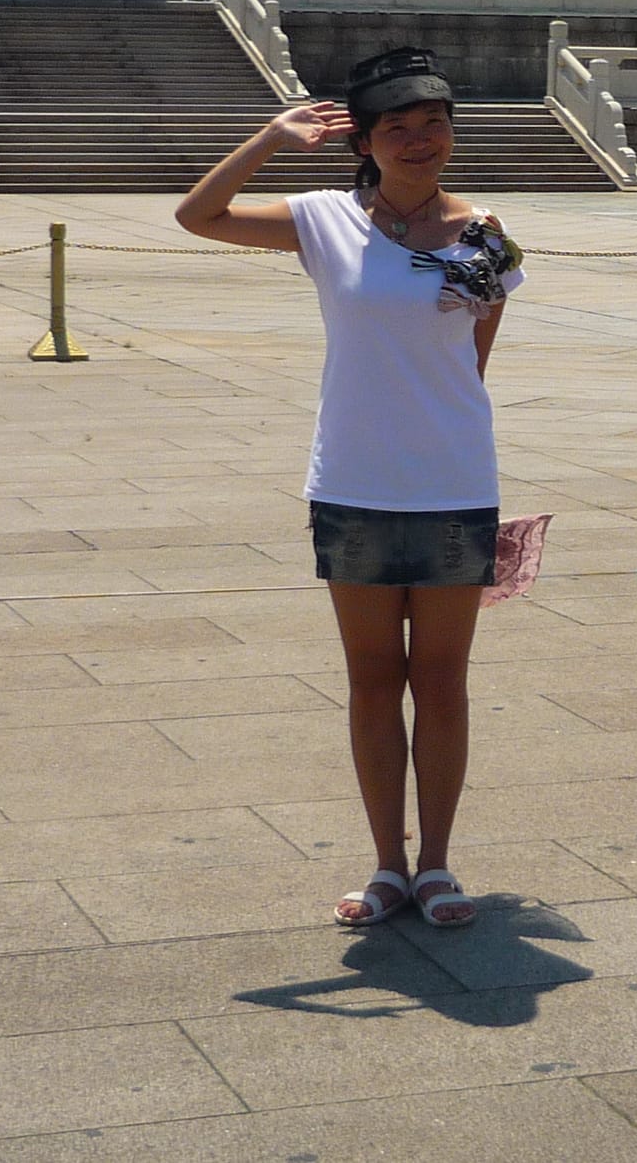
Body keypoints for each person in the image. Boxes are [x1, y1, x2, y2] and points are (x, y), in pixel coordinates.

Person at [175, 47, 524, 930]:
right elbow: (198, 215)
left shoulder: (485, 232)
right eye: (396, 128)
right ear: (364, 143)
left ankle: (436, 864)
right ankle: (386, 866)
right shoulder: (323, 219)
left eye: (434, 124)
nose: (420, 140)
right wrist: (271, 136)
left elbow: (471, 362)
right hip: (354, 482)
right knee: (372, 680)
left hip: (452, 484)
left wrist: (441, 438)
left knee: (442, 682)